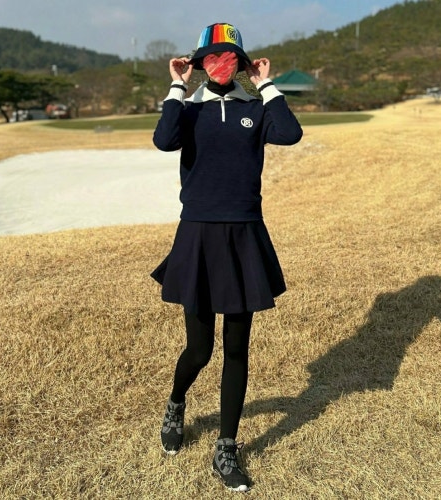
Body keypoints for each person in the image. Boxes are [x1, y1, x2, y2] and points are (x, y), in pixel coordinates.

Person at [151, 22, 303, 492]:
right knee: (200, 350)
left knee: (237, 349)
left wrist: (265, 84)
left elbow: (290, 133)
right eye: (212, 58)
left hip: (244, 233)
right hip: (198, 233)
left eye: (229, 58)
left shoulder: (255, 109)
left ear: (240, 64)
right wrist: (178, 85)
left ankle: (226, 446)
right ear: (200, 63)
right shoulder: (188, 110)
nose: (221, 65)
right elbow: (164, 140)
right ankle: (176, 404)